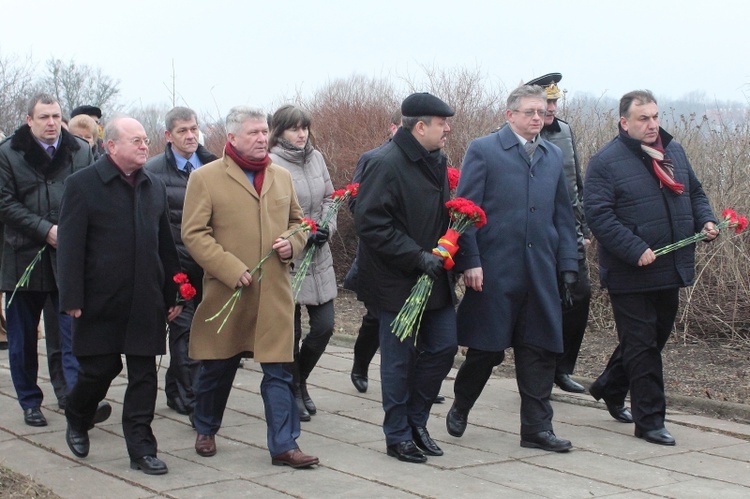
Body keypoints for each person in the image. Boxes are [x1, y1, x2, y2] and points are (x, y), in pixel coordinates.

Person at [182, 106, 319, 468]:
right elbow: (194, 233)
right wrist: (229, 268)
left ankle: (284, 445)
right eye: (254, 133)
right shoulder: (206, 178)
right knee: (217, 368)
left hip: (274, 294)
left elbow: (298, 222)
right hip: (230, 293)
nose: (262, 139)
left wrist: (294, 241)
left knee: (279, 371)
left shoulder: (280, 176)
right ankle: (206, 426)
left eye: (264, 132)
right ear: (231, 138)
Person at [447, 85, 578, 452]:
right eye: (530, 112)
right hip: (495, 269)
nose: (538, 118)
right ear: (510, 115)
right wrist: (470, 261)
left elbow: (563, 217)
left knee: (539, 350)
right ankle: (462, 404)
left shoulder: (553, 155)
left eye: (542, 112)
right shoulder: (484, 150)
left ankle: (537, 429)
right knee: (487, 349)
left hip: (540, 271)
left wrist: (568, 266)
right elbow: (465, 210)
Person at [584, 90, 717, 446]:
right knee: (642, 347)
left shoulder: (672, 151)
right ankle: (650, 420)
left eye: (655, 116)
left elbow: (696, 192)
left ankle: (610, 386)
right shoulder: (605, 162)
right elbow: (598, 214)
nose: (652, 124)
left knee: (651, 340)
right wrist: (634, 248)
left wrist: (706, 221)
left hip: (670, 267)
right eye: (643, 118)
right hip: (631, 272)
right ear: (624, 122)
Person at [57, 116, 182, 475]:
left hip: (145, 299)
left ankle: (141, 449)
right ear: (112, 146)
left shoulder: (152, 186)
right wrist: (72, 297)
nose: (145, 146)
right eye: (136, 141)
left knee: (144, 374)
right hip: (100, 299)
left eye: (145, 140)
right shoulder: (82, 185)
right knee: (100, 368)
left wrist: (174, 290)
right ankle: (78, 416)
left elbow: (165, 244)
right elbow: (69, 247)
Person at [355, 92, 457, 464]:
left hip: (434, 278)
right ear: (420, 127)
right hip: (396, 281)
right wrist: (416, 257)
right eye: (441, 124)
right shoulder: (385, 163)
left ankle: (416, 420)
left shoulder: (437, 160)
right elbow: (371, 224)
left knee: (445, 347)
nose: (447, 130)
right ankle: (397, 434)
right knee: (398, 361)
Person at [0, 93, 95, 426]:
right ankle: (29, 400)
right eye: (44, 117)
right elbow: (5, 203)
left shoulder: (80, 151)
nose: (52, 123)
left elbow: (89, 197)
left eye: (56, 116)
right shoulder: (8, 153)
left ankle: (73, 397)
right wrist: (45, 230)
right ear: (30, 120)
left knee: (71, 333)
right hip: (21, 257)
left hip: (66, 259)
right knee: (23, 339)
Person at [146, 107, 217, 416]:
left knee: (207, 334)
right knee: (184, 334)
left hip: (211, 265)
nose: (190, 136)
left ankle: (177, 389)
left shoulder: (213, 165)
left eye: (193, 129)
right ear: (168, 136)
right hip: (177, 268)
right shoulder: (154, 172)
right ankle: (191, 400)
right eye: (182, 131)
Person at [268, 104, 336, 422]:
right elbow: (269, 211)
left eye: (305, 127)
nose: (301, 133)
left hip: (319, 254)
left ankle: (300, 378)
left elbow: (329, 197)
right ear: (279, 131)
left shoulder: (316, 157)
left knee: (324, 326)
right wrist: (299, 234)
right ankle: (293, 389)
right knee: (289, 332)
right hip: (289, 256)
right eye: (294, 128)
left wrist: (326, 226)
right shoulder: (270, 163)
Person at [526, 73, 591, 394]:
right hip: (537, 238)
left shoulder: (565, 131)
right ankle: (539, 371)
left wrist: (585, 228)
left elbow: (575, 181)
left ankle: (562, 369)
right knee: (542, 305)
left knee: (579, 297)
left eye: (554, 101)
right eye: (545, 102)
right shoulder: (518, 135)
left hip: (570, 234)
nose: (551, 108)